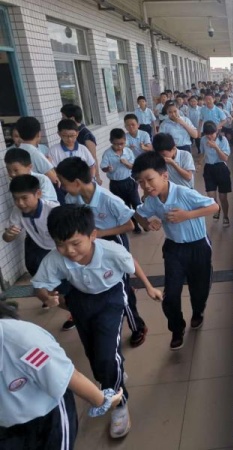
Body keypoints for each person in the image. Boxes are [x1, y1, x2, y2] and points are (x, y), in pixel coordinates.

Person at [31, 205, 162, 439]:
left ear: (92, 235)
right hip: (80, 300)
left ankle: (119, 404)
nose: (69, 251)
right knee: (93, 353)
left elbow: (132, 263)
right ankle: (112, 373)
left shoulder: (111, 251)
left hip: (110, 298)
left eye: (75, 243)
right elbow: (39, 286)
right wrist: (46, 297)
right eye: (61, 244)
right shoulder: (55, 258)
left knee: (106, 356)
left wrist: (150, 287)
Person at [0, 302, 124, 449]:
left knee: (105, 355)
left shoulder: (24, 342)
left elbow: (68, 375)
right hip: (5, 425)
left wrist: (103, 401)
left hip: (48, 418)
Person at [132, 152, 218, 350]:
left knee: (200, 288)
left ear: (164, 176)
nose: (146, 186)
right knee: (170, 295)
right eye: (141, 182)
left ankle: (198, 311)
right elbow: (138, 213)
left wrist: (187, 215)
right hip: (174, 249)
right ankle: (177, 329)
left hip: (198, 246)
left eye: (149, 179)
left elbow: (214, 207)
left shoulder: (184, 193)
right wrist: (147, 224)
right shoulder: (152, 200)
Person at [57, 157, 148, 343]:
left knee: (122, 287)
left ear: (77, 182)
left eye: (64, 183)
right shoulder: (71, 198)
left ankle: (137, 326)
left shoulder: (109, 199)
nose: (62, 187)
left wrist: (101, 233)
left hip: (113, 241)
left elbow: (129, 225)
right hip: (90, 244)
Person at [2, 175, 59, 277]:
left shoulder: (53, 210)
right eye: (16, 199)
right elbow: (7, 238)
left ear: (38, 194)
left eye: (24, 198)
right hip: (38, 245)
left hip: (58, 246)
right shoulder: (17, 211)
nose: (20, 203)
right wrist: (9, 234)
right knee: (36, 270)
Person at [101, 128, 143, 234]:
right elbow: (103, 167)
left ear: (125, 141)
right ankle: (134, 225)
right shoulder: (107, 154)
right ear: (111, 141)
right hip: (116, 184)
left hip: (129, 181)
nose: (119, 146)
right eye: (116, 144)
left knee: (137, 203)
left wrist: (126, 163)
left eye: (122, 144)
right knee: (124, 206)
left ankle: (143, 222)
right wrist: (107, 168)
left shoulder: (128, 151)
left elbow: (133, 166)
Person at [200, 121, 232, 227]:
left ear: (216, 131)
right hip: (209, 168)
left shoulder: (223, 140)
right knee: (211, 196)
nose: (210, 136)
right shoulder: (203, 140)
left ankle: (226, 216)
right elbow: (202, 153)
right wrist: (199, 163)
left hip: (221, 168)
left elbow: (225, 158)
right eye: (207, 134)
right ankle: (217, 209)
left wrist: (216, 147)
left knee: (223, 197)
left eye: (212, 133)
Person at [12, 117, 59, 186]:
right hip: (40, 189)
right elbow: (54, 179)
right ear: (38, 134)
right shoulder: (35, 153)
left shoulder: (17, 151)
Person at [60, 104, 100, 183]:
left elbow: (93, 157)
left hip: (85, 176)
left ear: (72, 118)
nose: (61, 119)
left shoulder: (86, 135)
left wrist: (97, 176)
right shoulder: (67, 133)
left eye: (63, 117)